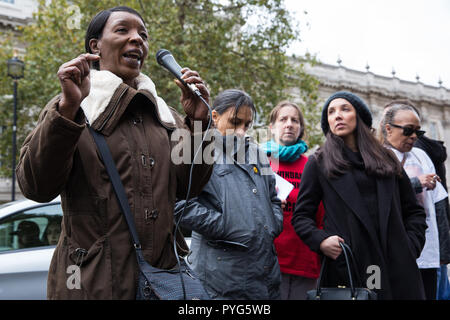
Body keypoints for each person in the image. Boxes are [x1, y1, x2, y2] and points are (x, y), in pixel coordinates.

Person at [16, 6, 213, 299]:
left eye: (143, 35)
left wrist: (199, 124)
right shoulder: (71, 108)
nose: (138, 40)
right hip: (89, 287)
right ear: (95, 46)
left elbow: (190, 187)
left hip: (161, 285)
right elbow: (36, 187)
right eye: (123, 30)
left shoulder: (167, 117)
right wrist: (67, 111)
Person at [291, 91, 427, 300]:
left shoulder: (387, 158)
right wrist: (322, 241)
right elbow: (301, 217)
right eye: (331, 112)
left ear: (360, 117)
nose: (337, 115)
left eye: (345, 109)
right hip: (351, 267)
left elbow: (414, 210)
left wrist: (410, 246)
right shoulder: (319, 162)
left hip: (396, 265)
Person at [174, 89, 283, 299]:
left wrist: (272, 224)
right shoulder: (197, 150)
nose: (241, 131)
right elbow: (178, 204)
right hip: (219, 282)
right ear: (214, 116)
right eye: (235, 122)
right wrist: (227, 224)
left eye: (247, 125)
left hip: (265, 280)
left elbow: (273, 198)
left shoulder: (257, 154)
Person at [380, 102, 449, 300]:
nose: (413, 137)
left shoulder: (421, 156)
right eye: (409, 130)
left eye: (418, 132)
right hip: (392, 251)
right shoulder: (379, 157)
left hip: (426, 252)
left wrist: (443, 252)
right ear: (388, 128)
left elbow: (439, 205)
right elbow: (379, 197)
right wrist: (416, 183)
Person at [262, 101, 324, 299]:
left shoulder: (313, 165)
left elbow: (321, 216)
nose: (289, 124)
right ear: (272, 127)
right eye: (283, 119)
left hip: (304, 261)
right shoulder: (258, 162)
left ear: (301, 128)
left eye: (295, 120)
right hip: (265, 261)